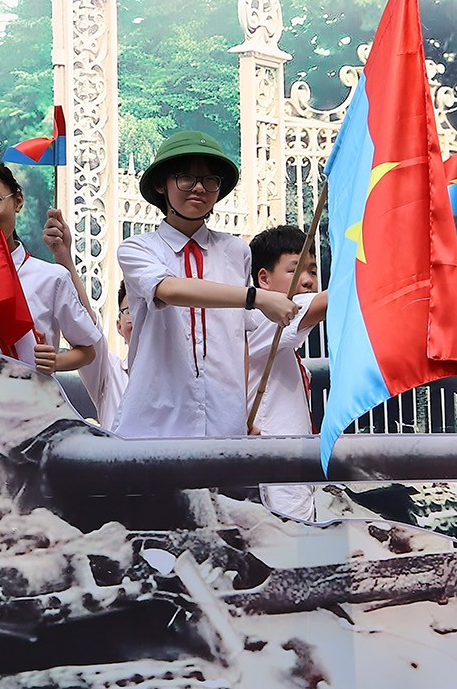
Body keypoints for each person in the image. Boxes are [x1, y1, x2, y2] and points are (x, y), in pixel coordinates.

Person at [115, 130, 296, 438]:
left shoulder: (236, 251)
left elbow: (240, 338)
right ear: (161, 185)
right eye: (186, 178)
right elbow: (169, 290)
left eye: (210, 180)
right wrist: (258, 297)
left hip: (224, 419)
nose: (199, 188)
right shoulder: (138, 249)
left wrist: (243, 411)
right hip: (155, 419)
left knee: (221, 488)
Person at [0, 159, 100, 375]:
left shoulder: (52, 278)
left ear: (18, 201)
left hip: (37, 403)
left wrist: (55, 362)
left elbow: (87, 350)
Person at [246, 224, 328, 521]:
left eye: (313, 271)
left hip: (290, 479)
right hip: (275, 483)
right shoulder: (261, 318)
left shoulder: (279, 335)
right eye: (295, 271)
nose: (307, 281)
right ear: (264, 279)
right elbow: (328, 302)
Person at [43, 206, 126, 429]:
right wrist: (64, 257)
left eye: (146, 310)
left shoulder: (181, 374)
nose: (138, 318)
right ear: (119, 325)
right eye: (130, 310)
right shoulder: (110, 372)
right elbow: (86, 322)